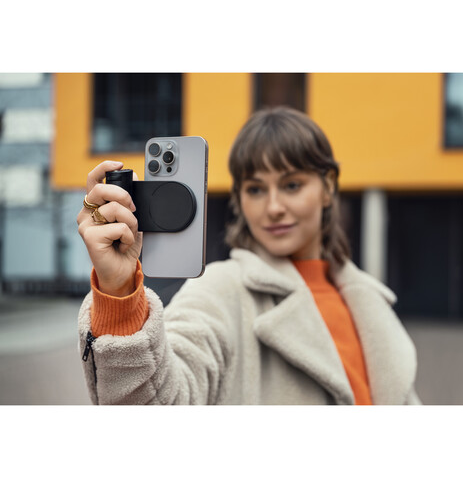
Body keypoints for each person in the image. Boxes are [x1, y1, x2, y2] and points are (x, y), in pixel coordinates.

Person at [77, 106, 421, 405]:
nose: (273, 207)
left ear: (328, 186)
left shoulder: (367, 297)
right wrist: (119, 293)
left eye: (292, 185)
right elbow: (162, 401)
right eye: (255, 189)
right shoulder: (220, 290)